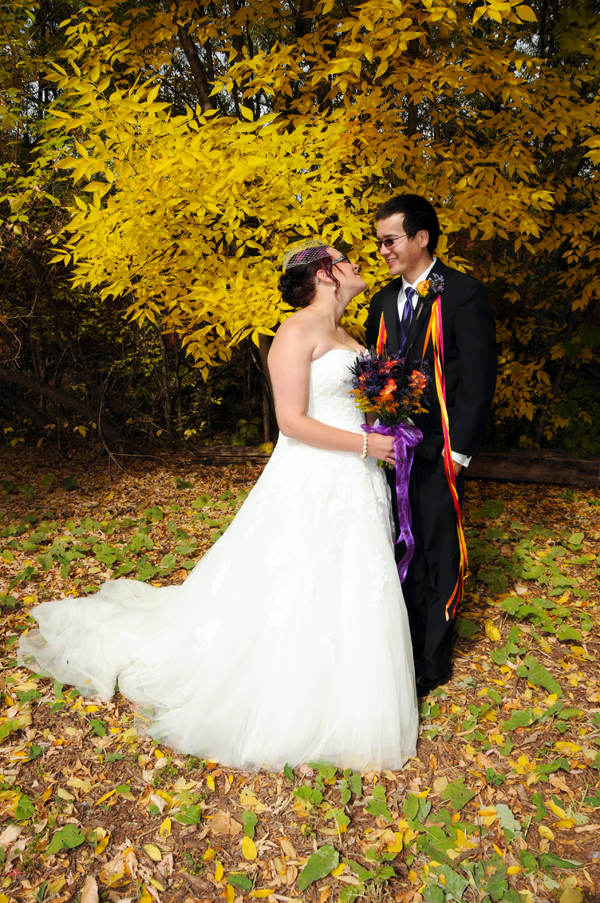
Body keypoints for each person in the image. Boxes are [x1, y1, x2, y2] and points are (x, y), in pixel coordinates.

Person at [19, 239, 418, 772]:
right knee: (298, 576)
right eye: (347, 261)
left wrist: (386, 430)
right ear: (325, 273)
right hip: (314, 473)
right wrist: (370, 445)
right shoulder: (295, 331)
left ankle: (346, 686)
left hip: (358, 476)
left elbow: (353, 405)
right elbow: (292, 421)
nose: (358, 265)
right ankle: (285, 694)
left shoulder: (351, 336)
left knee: (350, 577)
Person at [366, 195, 497, 698]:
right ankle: (399, 646)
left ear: (422, 238)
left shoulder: (463, 293)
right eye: (380, 242)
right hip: (390, 450)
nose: (382, 250)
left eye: (389, 239)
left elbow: (478, 379)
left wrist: (458, 452)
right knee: (398, 543)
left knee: (438, 547)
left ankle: (431, 661)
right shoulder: (381, 300)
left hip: (439, 447)